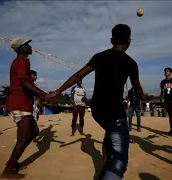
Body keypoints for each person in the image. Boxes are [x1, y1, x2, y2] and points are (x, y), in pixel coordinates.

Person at [48, 24, 144, 180]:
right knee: (119, 160)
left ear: (112, 39)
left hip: (98, 110)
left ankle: (102, 172)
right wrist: (141, 95)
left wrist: (57, 91)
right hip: (114, 112)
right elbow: (137, 87)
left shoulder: (99, 56)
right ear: (129, 41)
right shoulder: (130, 63)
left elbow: (79, 75)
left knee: (109, 137)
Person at [1, 38, 49, 179]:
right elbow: (25, 83)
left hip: (23, 102)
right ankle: (8, 170)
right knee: (26, 136)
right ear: (21, 47)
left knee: (33, 131)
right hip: (19, 102)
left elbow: (27, 82)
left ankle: (13, 162)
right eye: (27, 44)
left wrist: (41, 94)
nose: (30, 46)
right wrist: (44, 94)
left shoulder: (24, 62)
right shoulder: (20, 62)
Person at [160, 67, 172, 137]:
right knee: (170, 117)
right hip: (166, 100)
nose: (166, 72)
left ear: (170, 73)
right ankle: (171, 130)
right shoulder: (162, 82)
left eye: (167, 71)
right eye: (165, 71)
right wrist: (161, 99)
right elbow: (162, 91)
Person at [29, 70, 41, 143]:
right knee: (32, 123)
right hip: (29, 106)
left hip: (35, 106)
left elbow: (38, 95)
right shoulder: (27, 85)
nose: (36, 77)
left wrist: (39, 103)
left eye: (36, 75)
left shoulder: (35, 86)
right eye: (34, 75)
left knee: (35, 119)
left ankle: (34, 138)